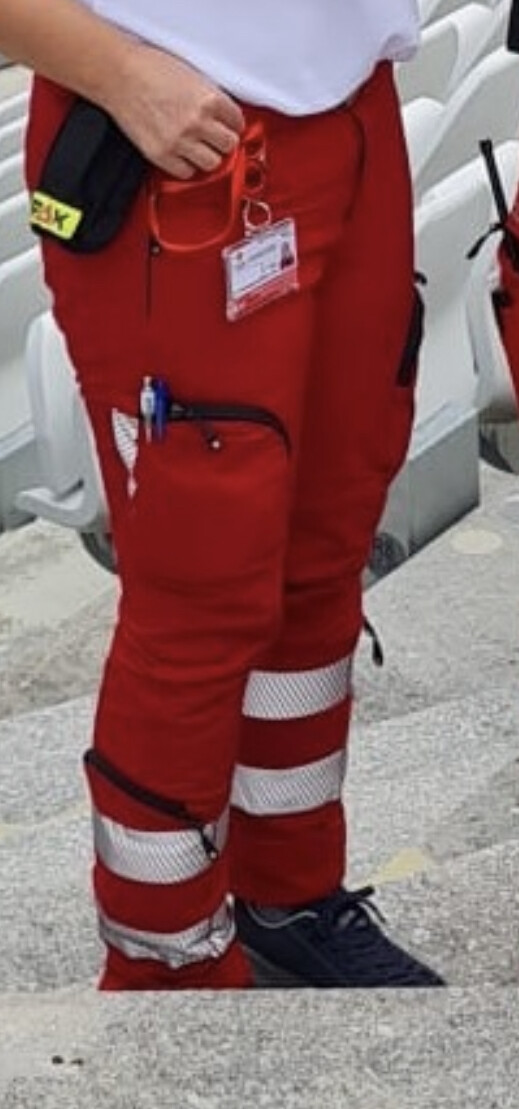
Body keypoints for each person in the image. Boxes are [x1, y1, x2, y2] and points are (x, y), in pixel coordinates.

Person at [0, 0, 444, 990]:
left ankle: (290, 895)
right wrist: (115, 71)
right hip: (175, 132)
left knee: (324, 547)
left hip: (350, 113)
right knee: (201, 593)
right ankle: (167, 974)